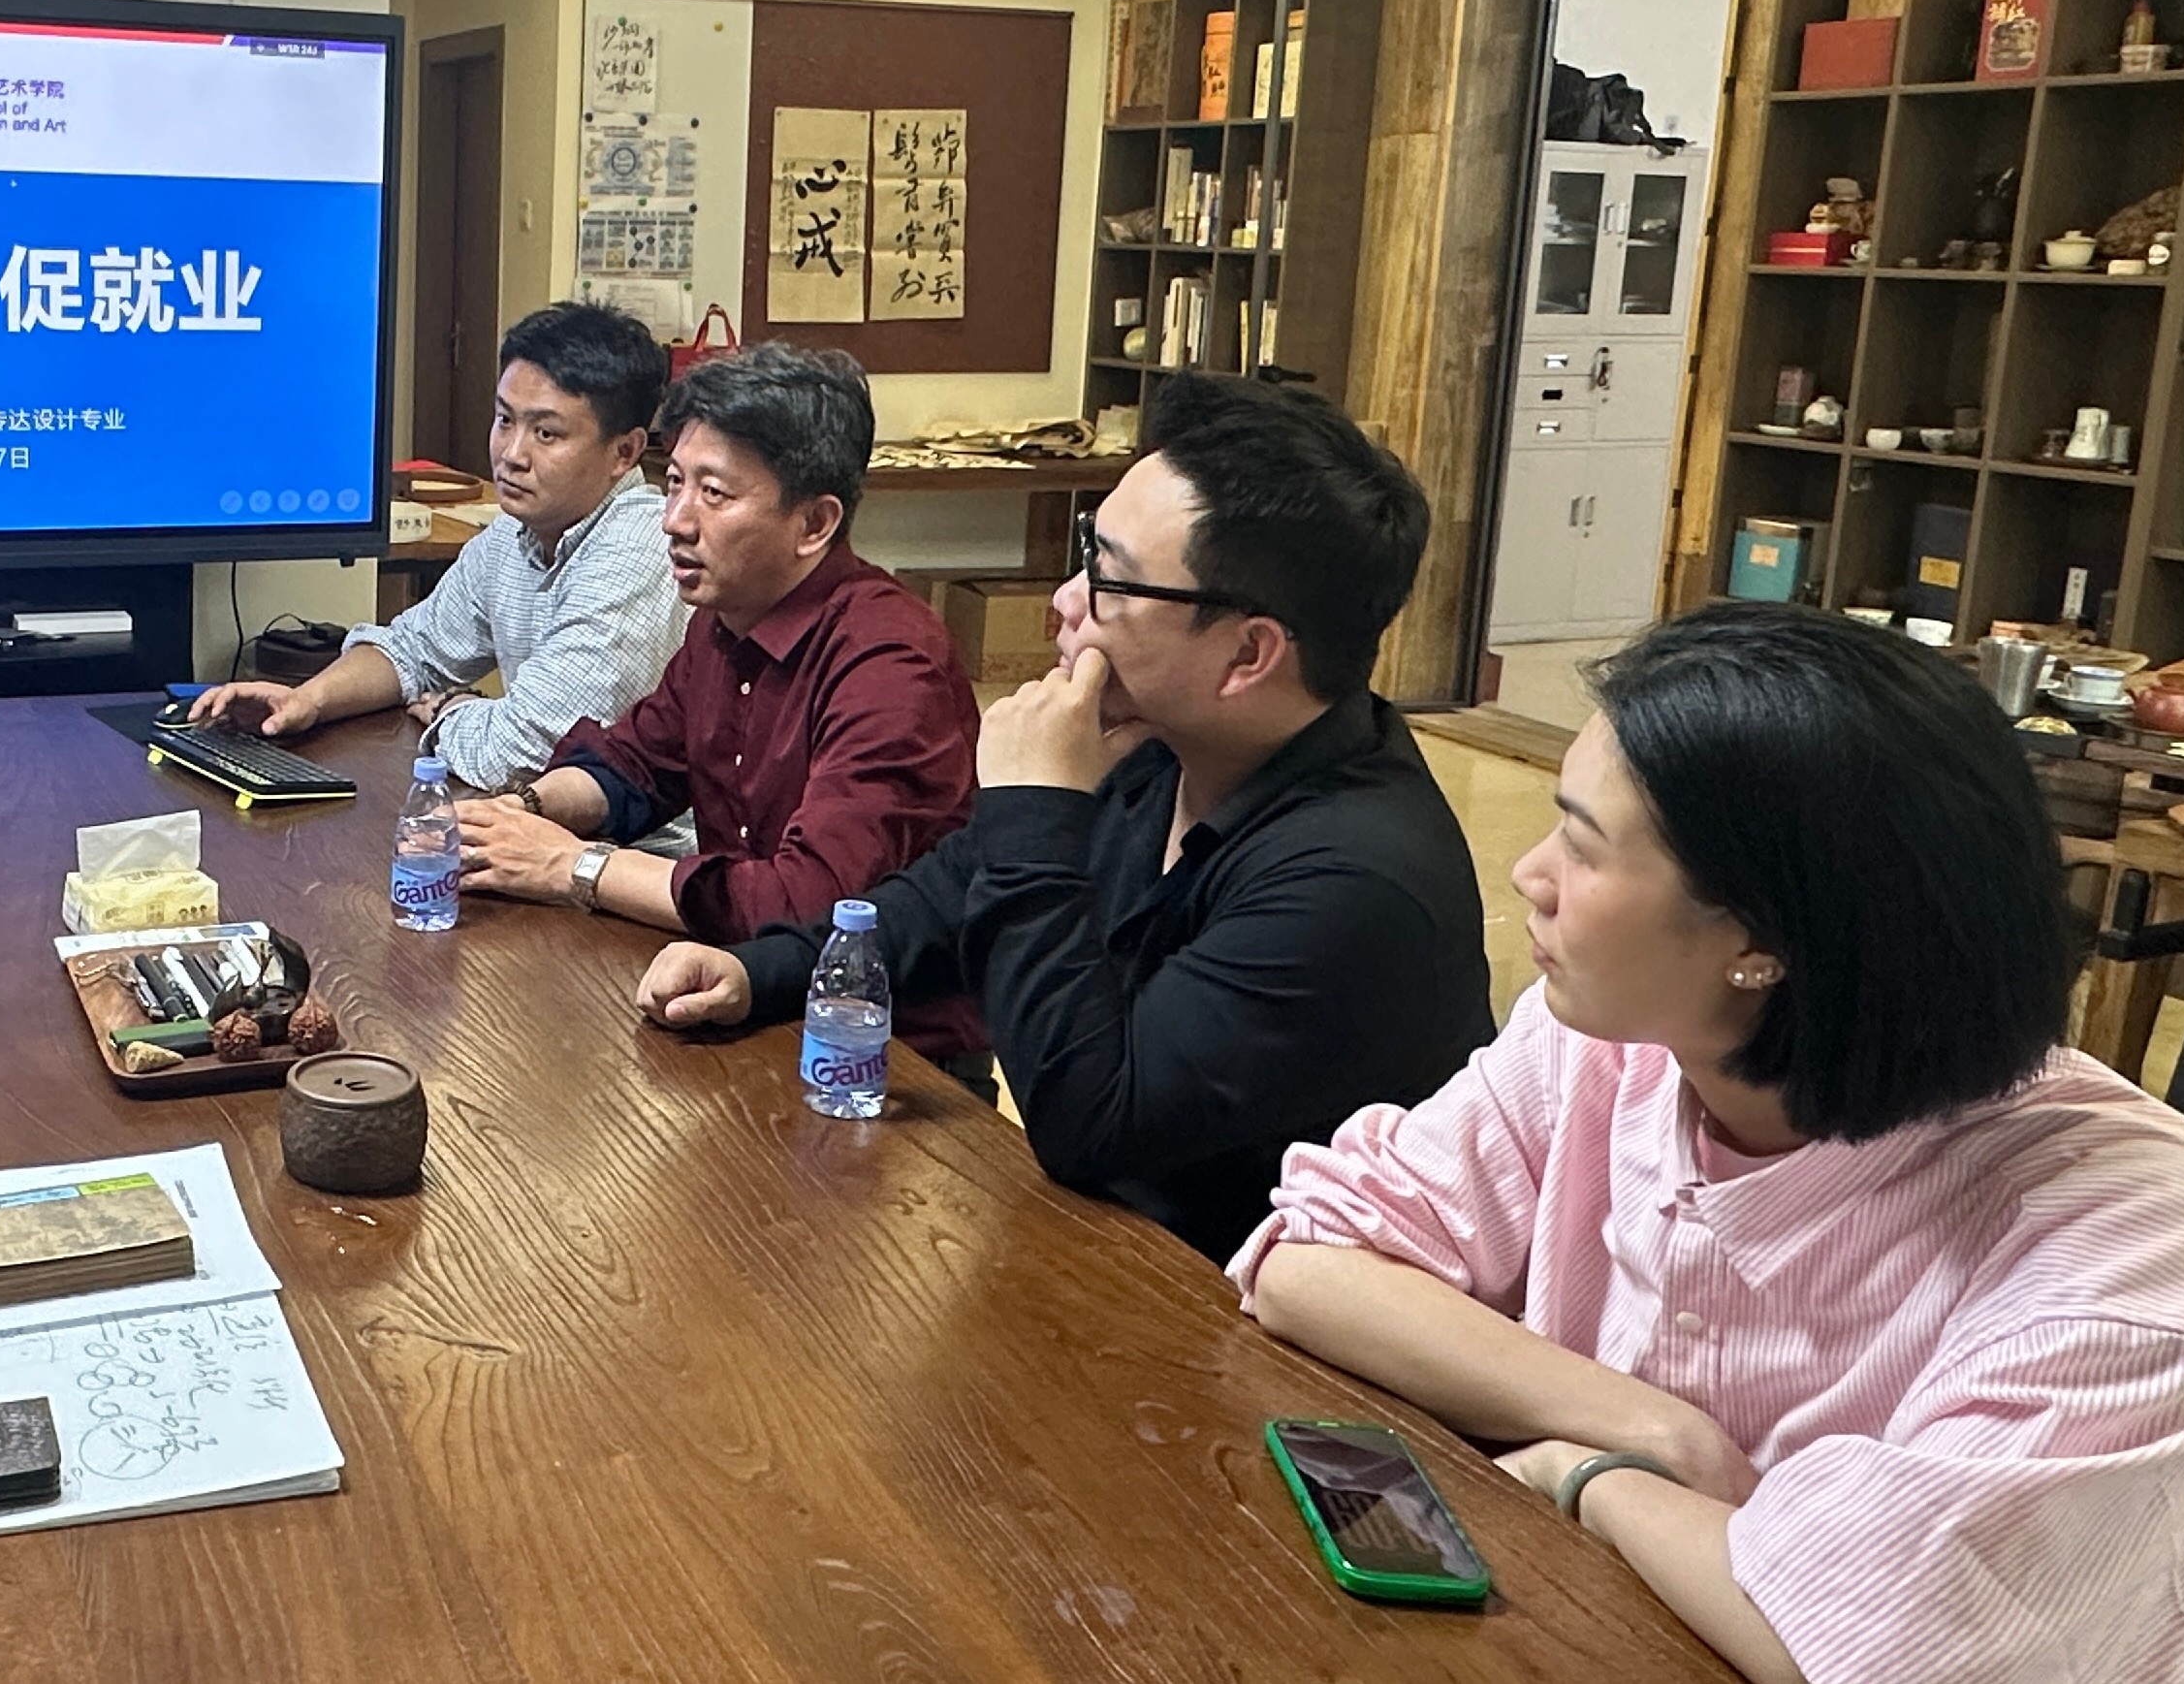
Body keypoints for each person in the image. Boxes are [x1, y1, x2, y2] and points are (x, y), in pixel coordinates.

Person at [1234, 602, 2184, 1684]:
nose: (1532, 874)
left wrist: (1594, 1479)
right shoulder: (1610, 1049)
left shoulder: (2136, 1232)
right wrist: (1648, 1426)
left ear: (1762, 937)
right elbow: (1312, 1261)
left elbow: (1879, 1644)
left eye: (1582, 843)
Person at [632, 371, 1486, 1255]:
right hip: (1096, 1251)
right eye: (1086, 552)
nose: (1065, 602)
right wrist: (760, 971)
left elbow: (1089, 1123)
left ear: (1248, 655)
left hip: (1229, 1303)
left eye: (1109, 580)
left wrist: (1035, 807)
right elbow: (940, 902)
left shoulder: (1354, 877)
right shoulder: (1166, 742)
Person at [454, 343, 974, 991]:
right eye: (674, 482)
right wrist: (518, 812)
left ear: (814, 524)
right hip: (735, 979)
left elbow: (811, 901)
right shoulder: (725, 618)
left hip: (874, 1023)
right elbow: (637, 765)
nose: (675, 521)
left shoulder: (890, 661)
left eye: (714, 494)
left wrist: (573, 867)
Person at [191, 302, 683, 792]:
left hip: (634, 838)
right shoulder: (511, 537)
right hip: (535, 821)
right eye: (504, 420)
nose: (512, 455)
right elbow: (413, 649)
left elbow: (523, 753)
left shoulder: (640, 549)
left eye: (546, 433)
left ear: (624, 452)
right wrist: (308, 700)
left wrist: (450, 708)